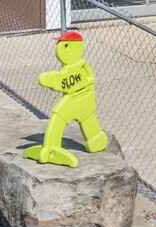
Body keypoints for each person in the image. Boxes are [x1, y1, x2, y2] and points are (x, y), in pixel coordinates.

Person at [26, 29, 109, 167]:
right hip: (78, 97)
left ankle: (54, 147)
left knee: (61, 117)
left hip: (80, 98)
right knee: (81, 119)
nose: (60, 49)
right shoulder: (81, 66)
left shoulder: (79, 67)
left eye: (65, 45)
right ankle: (94, 139)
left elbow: (63, 81)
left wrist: (50, 79)